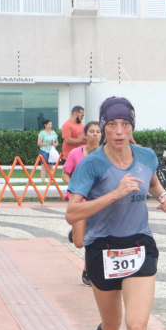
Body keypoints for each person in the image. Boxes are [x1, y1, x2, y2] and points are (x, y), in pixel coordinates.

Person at [64, 97, 166, 330]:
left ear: (132, 126)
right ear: (103, 126)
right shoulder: (91, 165)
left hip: (140, 245)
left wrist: (162, 197)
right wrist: (114, 194)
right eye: (111, 124)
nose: (118, 131)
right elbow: (72, 214)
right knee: (112, 326)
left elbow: (152, 180)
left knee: (138, 327)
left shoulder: (145, 156)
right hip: (104, 249)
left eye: (125, 124)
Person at [63, 120, 103, 287]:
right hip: (81, 202)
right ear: (85, 135)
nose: (95, 134)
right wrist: (75, 188)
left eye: (98, 131)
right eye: (92, 131)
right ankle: (76, 231)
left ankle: (88, 271)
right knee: (79, 242)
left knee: (94, 239)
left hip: (99, 202)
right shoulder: (75, 154)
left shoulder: (106, 155)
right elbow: (65, 174)